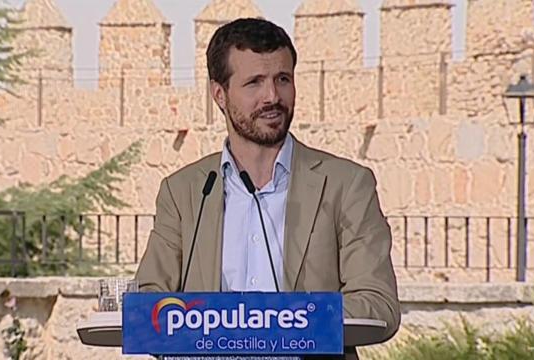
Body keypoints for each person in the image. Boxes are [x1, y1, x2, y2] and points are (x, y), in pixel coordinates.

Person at [136, 18, 400, 359]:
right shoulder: (184, 192)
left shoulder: (346, 185)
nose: (272, 96)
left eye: (283, 80)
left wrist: (276, 323)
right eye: (254, 83)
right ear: (219, 94)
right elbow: (147, 303)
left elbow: (378, 305)